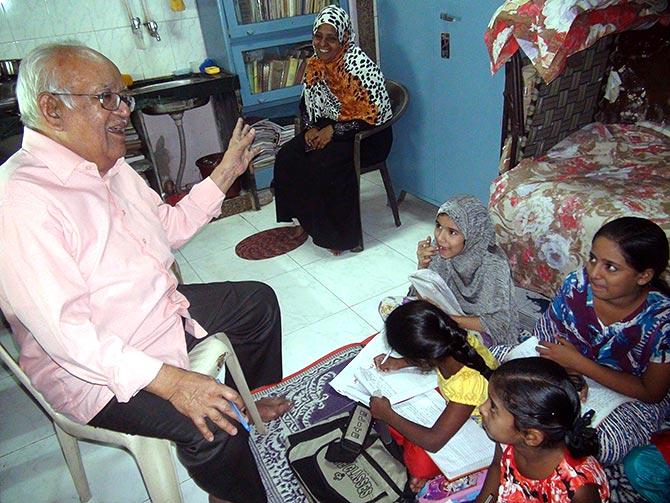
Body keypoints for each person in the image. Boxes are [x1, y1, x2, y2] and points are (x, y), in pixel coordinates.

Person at [0, 43, 291, 503]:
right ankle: (234, 482)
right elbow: (69, 337)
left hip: (154, 312)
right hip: (93, 370)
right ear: (52, 109)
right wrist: (173, 382)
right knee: (211, 426)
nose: (122, 113)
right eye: (105, 99)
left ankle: (247, 409)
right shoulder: (20, 201)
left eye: (123, 97)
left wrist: (223, 176)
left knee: (257, 304)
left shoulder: (110, 167)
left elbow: (167, 228)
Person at [534, 216, 670, 466]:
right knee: (500, 368)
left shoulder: (662, 322)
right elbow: (547, 337)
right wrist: (571, 375)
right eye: (593, 259)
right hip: (565, 370)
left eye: (611, 267)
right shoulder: (577, 284)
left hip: (628, 395)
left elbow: (651, 393)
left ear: (643, 276)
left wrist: (581, 365)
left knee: (599, 445)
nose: (594, 273)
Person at [273, 5, 393, 255]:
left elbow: (373, 114)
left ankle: (339, 237)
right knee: (289, 155)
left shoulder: (359, 65)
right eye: (319, 36)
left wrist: (334, 131)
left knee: (323, 162)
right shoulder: (316, 65)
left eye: (331, 38)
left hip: (367, 136)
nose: (323, 44)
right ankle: (304, 220)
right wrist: (308, 129)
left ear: (344, 38)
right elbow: (306, 103)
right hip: (331, 125)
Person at [369, 300, 498, 492]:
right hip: (458, 403)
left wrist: (387, 414)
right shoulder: (453, 340)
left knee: (418, 462)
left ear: (423, 360)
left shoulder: (466, 382)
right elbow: (431, 355)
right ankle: (408, 440)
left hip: (477, 428)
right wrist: (401, 363)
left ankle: (421, 463)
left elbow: (434, 441)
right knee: (401, 415)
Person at [379, 195, 519, 346]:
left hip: (469, 326)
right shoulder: (441, 250)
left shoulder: (493, 264)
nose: (440, 238)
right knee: (388, 306)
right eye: (438, 226)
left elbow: (498, 325)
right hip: (441, 316)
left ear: (472, 234)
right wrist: (422, 268)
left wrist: (446, 318)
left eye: (452, 232)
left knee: (468, 344)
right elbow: (421, 298)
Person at [476, 357, 610, 503]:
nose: (482, 408)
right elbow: (497, 467)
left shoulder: (578, 489)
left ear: (531, 436)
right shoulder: (511, 437)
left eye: (493, 407)